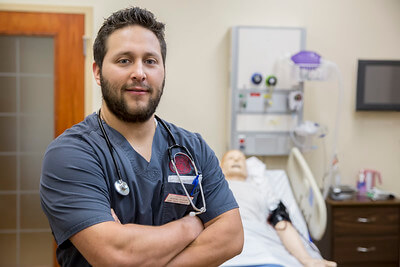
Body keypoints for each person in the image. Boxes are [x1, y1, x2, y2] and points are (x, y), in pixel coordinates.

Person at [40, 7, 243, 267]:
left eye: (150, 61)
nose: (140, 72)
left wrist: (134, 246)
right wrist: (192, 226)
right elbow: (117, 255)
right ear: (98, 71)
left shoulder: (193, 148)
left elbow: (231, 237)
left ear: (163, 70)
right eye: (124, 60)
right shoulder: (71, 154)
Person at [220, 150, 336, 267]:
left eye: (241, 159)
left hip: (258, 243)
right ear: (221, 167)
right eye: (230, 158)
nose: (236, 160)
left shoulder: (263, 191)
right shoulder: (212, 190)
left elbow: (282, 224)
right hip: (223, 239)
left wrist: (307, 260)